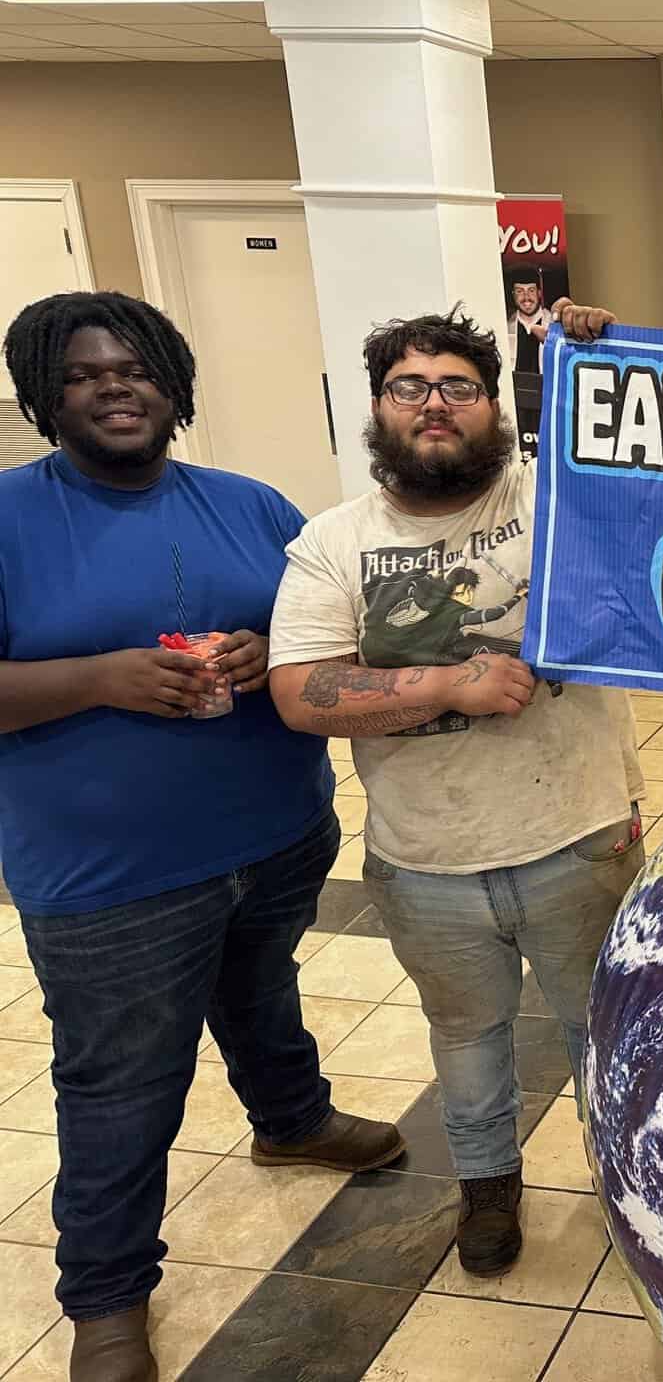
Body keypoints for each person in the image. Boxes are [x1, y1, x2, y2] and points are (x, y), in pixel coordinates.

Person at [0, 293, 405, 1382]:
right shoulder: (7, 519)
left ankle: (292, 1118)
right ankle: (106, 1298)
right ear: (45, 395)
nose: (115, 386)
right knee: (122, 1082)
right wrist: (100, 677)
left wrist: (261, 647)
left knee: (260, 987)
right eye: (85, 374)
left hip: (275, 833)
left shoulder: (250, 504)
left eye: (136, 368)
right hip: (108, 878)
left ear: (175, 385)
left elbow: (327, 636)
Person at [267, 303, 647, 1278]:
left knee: (602, 1034)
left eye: (459, 386)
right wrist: (442, 684)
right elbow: (298, 688)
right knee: (468, 1042)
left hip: (580, 839)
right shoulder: (332, 540)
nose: (435, 403)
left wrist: (602, 358)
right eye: (410, 386)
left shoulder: (557, 496)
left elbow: (649, 477)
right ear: (379, 408)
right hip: (424, 861)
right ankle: (487, 1185)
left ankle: (631, 1189)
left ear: (493, 407)